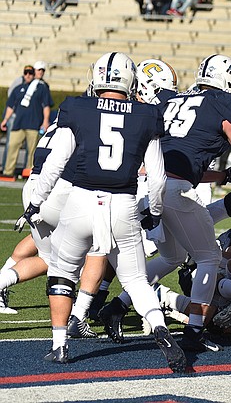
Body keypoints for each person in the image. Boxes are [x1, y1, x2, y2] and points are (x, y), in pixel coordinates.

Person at [99, 54, 231, 352]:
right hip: (174, 189)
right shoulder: (224, 104)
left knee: (173, 256)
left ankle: (116, 306)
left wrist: (219, 173)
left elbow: (177, 154)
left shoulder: (173, 99)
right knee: (208, 257)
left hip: (148, 184)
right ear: (228, 79)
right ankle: (194, 331)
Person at [20, 51, 186, 372]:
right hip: (123, 204)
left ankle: (59, 345)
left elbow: (55, 163)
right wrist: (153, 211)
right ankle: (161, 329)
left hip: (81, 200)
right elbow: (157, 176)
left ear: (97, 77)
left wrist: (36, 201)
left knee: (63, 272)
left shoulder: (78, 107)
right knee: (136, 279)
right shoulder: (146, 114)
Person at [1, 65, 52, 179]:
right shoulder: (18, 88)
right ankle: (8, 172)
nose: (28, 75)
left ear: (34, 74)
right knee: (12, 146)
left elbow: (46, 106)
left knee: (32, 151)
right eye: (26, 72)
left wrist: (45, 121)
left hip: (33, 124)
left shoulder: (41, 88)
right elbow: (10, 106)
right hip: (18, 124)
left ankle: (29, 173)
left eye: (30, 73)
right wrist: (5, 120)